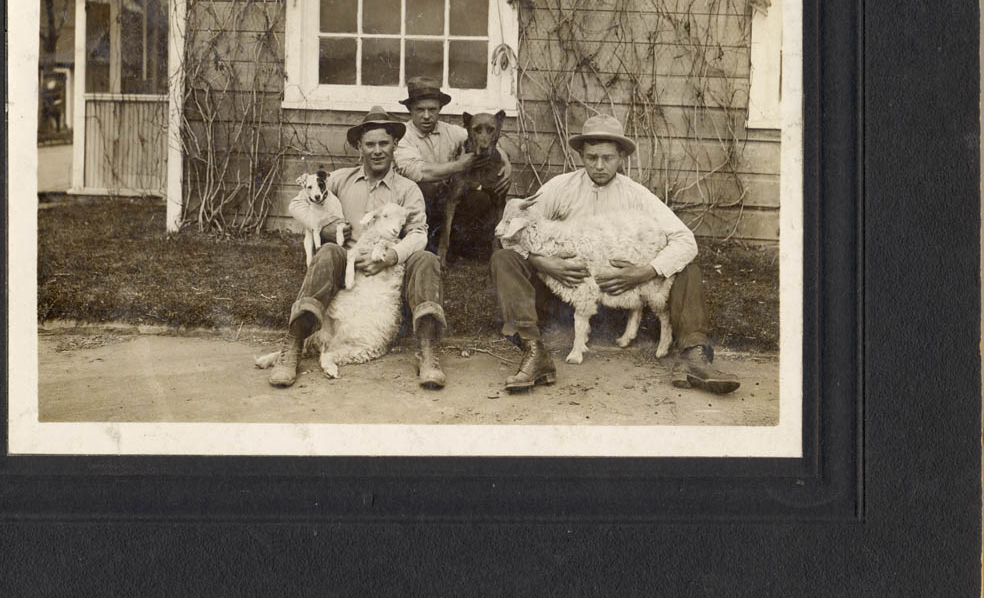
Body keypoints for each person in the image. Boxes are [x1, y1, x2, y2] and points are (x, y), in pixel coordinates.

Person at [489, 113, 742, 395]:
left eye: (607, 157)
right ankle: (534, 350)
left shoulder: (637, 195)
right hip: (564, 294)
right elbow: (517, 231)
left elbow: (685, 240)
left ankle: (694, 355)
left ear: (621, 156)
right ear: (581, 155)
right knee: (504, 258)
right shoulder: (558, 189)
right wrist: (541, 262)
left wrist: (646, 271)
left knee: (686, 268)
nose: (598, 165)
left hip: (625, 295)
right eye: (591, 157)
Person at [269, 106, 448, 390]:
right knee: (328, 251)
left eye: (384, 144)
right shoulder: (340, 180)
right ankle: (294, 342)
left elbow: (418, 233)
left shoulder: (407, 189)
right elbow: (299, 204)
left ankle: (427, 350)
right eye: (370, 144)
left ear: (395, 146)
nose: (377, 151)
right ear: (359, 148)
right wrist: (323, 228)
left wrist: (392, 256)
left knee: (425, 258)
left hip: (390, 279)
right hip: (348, 271)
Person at [393, 76, 513, 255]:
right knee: (425, 188)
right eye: (420, 110)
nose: (426, 115)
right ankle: (424, 244)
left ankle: (456, 245)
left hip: (443, 201)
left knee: (478, 199)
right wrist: (459, 165)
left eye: (432, 109)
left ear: (440, 109)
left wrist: (507, 163)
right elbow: (418, 172)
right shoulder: (403, 136)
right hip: (415, 204)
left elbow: (484, 141)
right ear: (410, 109)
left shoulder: (450, 131)